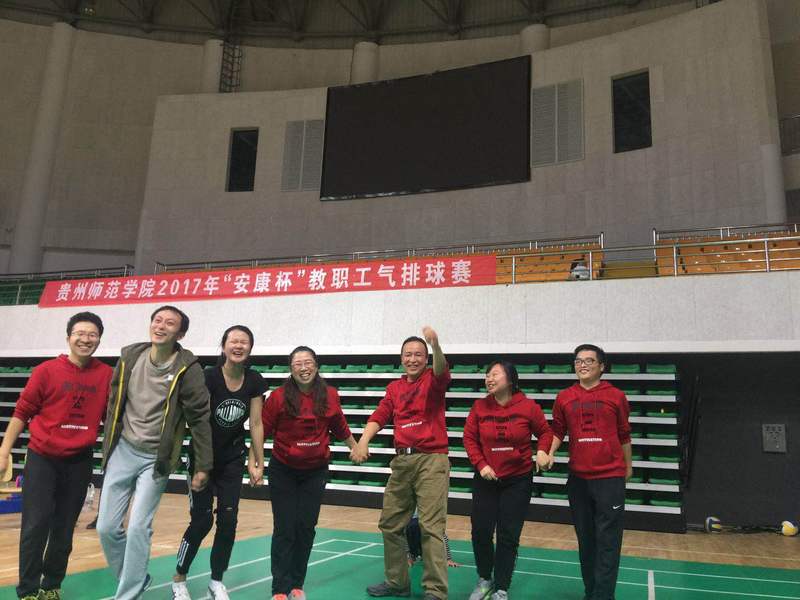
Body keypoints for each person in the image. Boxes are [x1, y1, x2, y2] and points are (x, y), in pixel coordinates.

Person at [97, 305, 213, 600]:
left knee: (138, 526)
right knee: (106, 528)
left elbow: (199, 418)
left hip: (156, 458)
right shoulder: (130, 357)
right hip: (123, 449)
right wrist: (108, 445)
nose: (161, 326)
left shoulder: (188, 368)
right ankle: (137, 578)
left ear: (180, 334)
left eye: (170, 323)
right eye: (157, 320)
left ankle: (128, 595)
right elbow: (114, 403)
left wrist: (203, 465)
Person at [0, 312, 112, 600]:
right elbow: (22, 412)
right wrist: (4, 450)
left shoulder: (106, 375)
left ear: (99, 339)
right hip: (42, 459)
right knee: (34, 527)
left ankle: (51, 586)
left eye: (92, 335)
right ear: (68, 337)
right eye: (80, 333)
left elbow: (111, 418)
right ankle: (27, 590)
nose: (85, 339)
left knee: (63, 530)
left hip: (79, 461)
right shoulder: (46, 371)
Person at [352, 327, 450, 600]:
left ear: (426, 358)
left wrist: (436, 345)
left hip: (432, 459)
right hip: (402, 461)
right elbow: (380, 415)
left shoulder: (433, 379)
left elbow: (441, 369)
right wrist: (363, 441)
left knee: (430, 527)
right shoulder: (394, 388)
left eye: (419, 354)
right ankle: (397, 582)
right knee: (390, 524)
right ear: (401, 358)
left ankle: (435, 591)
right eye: (408, 354)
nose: (413, 359)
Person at [171, 325, 268, 600]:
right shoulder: (208, 377)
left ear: (250, 348)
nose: (238, 346)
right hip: (202, 458)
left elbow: (256, 423)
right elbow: (197, 420)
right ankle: (179, 578)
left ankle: (216, 581)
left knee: (228, 520)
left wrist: (258, 462)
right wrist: (201, 466)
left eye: (244, 342)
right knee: (202, 521)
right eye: (233, 341)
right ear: (224, 346)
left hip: (232, 461)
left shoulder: (254, 380)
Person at [261, 346, 356, 600]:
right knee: (285, 528)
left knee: (306, 527)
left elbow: (339, 425)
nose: (304, 368)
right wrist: (255, 461)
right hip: (283, 470)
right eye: (298, 364)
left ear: (316, 365)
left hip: (315, 472)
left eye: (308, 362)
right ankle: (279, 589)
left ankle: (296, 584)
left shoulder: (330, 395)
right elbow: (262, 430)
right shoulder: (278, 397)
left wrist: (355, 447)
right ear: (291, 369)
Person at [463, 360, 554, 600]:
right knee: (480, 531)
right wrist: (481, 465)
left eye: (495, 374)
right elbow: (469, 439)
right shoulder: (479, 407)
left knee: (508, 535)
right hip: (486, 480)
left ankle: (502, 588)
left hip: (518, 481)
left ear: (511, 379)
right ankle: (485, 578)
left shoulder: (529, 407)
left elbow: (545, 432)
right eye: (487, 375)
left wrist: (542, 451)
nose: (489, 379)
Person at [548, 344, 632, 600]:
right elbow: (558, 430)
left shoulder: (616, 396)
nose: (582, 365)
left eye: (589, 360)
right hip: (578, 480)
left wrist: (628, 467)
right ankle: (591, 592)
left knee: (608, 542)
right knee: (586, 541)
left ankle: (603, 596)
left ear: (602, 366)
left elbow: (624, 435)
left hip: (609, 479)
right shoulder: (564, 397)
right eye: (578, 361)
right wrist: (548, 452)